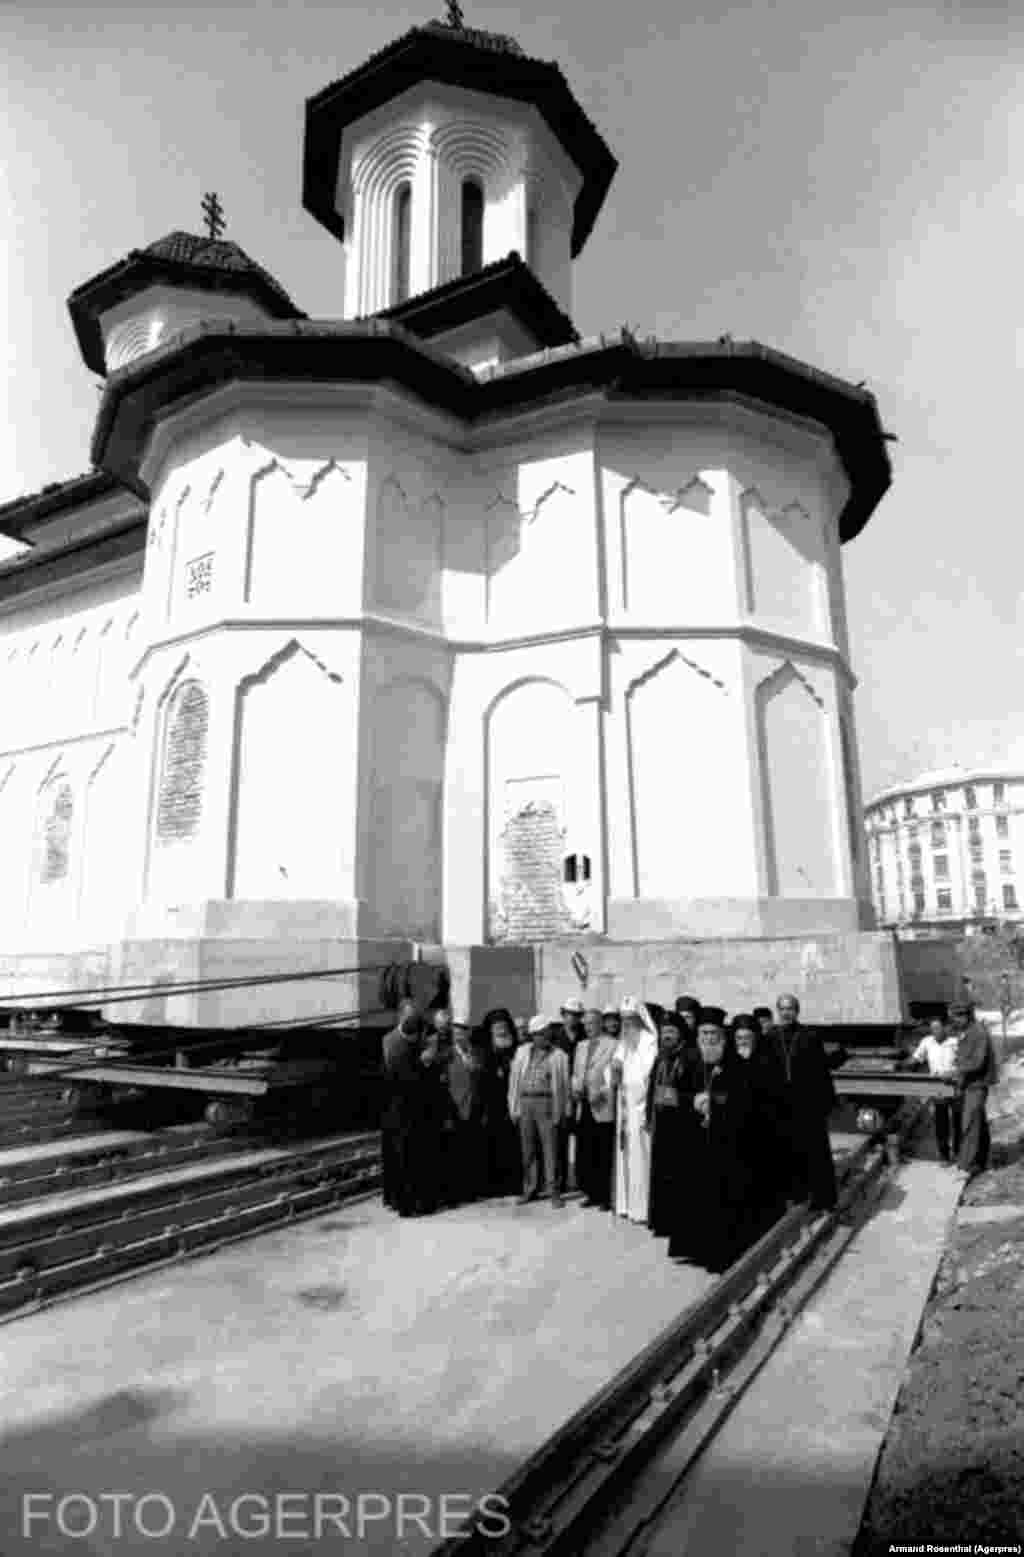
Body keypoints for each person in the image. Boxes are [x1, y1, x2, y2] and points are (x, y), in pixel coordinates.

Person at [667, 1008, 756, 1273]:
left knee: (721, 1200)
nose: (708, 1038)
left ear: (722, 1036)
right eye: (704, 1033)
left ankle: (719, 1254)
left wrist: (715, 1101)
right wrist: (692, 1101)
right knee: (694, 1197)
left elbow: (745, 1098)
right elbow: (664, 1095)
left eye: (713, 1033)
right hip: (693, 1141)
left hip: (725, 1143)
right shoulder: (688, 1060)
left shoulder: (735, 1063)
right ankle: (694, 1250)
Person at [767, 993, 838, 1212]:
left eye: (790, 1008)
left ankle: (822, 1199)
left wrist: (825, 1102)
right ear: (778, 1011)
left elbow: (822, 1071)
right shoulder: (770, 1037)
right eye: (782, 1009)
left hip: (808, 1104)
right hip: (782, 1105)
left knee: (815, 1152)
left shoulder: (809, 1035)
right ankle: (795, 1195)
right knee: (788, 1152)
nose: (786, 1013)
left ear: (797, 1011)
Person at [731, 1012, 789, 1237]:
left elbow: (777, 1097)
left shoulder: (768, 1060)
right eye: (739, 1038)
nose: (743, 1042)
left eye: (747, 1037)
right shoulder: (729, 1061)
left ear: (755, 1038)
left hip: (764, 1130)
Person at [509, 1016, 572, 1206]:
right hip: (525, 1101)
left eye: (546, 1033)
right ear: (533, 1035)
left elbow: (565, 1086)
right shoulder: (522, 1052)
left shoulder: (559, 1056)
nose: (544, 1037)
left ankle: (553, 1190)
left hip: (547, 1102)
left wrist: (565, 1110)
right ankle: (530, 1189)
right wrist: (513, 1106)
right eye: (539, 1034)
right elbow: (514, 1081)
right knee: (528, 1149)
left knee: (550, 1147)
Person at [611, 997, 659, 1223]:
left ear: (640, 1019)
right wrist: (614, 1070)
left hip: (640, 1108)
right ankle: (627, 1205)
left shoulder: (649, 1041)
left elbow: (647, 1075)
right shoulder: (624, 1042)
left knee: (640, 1157)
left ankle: (642, 1209)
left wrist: (628, 1082)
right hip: (625, 1107)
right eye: (624, 1020)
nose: (627, 1024)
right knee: (626, 1156)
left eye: (631, 1019)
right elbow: (614, 1070)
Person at [646, 1013, 689, 1237]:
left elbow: (689, 1091)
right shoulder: (660, 1057)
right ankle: (660, 1222)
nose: (667, 1036)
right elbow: (651, 1090)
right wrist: (648, 1116)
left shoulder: (689, 1057)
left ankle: (675, 1224)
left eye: (671, 1032)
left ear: (680, 1034)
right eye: (664, 1032)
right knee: (660, 1174)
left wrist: (667, 1096)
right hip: (661, 1124)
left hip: (680, 1125)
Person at [571, 1007, 618, 1210]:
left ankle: (606, 1196)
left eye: (592, 1023)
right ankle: (591, 1192)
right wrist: (575, 1087)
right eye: (585, 1023)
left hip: (602, 1103)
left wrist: (603, 1092)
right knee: (586, 1150)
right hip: (584, 1104)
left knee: (603, 1151)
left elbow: (614, 1076)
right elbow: (575, 1073)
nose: (588, 1027)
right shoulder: (581, 1046)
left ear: (600, 1024)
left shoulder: (613, 1044)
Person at [380, 999, 422, 1214]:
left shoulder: (419, 1039)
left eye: (414, 1016)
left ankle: (412, 1200)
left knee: (414, 1155)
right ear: (400, 1016)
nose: (412, 1020)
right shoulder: (388, 1041)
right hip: (395, 1108)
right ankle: (400, 1202)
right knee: (397, 1154)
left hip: (416, 1106)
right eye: (408, 1016)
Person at [950, 1002, 997, 1179]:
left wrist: (956, 1071)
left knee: (970, 1124)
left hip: (976, 1085)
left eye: (956, 1018)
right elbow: (965, 1056)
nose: (954, 1022)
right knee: (979, 1124)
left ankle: (967, 1166)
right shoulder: (969, 1032)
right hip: (971, 1084)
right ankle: (981, 1161)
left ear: (965, 1016)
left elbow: (977, 1062)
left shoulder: (978, 1033)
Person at [479, 1008, 521, 1196]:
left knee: (514, 1147)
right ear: (490, 1030)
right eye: (497, 1027)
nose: (501, 1030)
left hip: (514, 1106)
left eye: (504, 1026)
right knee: (494, 1147)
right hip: (493, 1107)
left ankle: (514, 1184)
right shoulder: (484, 1052)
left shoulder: (517, 1049)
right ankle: (495, 1187)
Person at [910, 1015, 962, 1165]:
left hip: (955, 1086)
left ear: (945, 1028)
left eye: (938, 1028)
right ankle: (944, 1155)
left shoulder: (955, 1042)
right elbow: (916, 1058)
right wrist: (899, 1065)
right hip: (938, 1088)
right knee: (941, 1122)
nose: (935, 1031)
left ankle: (959, 1153)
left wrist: (953, 1073)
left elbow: (964, 1062)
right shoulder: (927, 1042)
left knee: (958, 1120)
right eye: (932, 1028)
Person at [446, 1021, 488, 1203]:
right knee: (457, 1152)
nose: (459, 1037)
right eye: (456, 1033)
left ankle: (474, 1189)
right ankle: (458, 1191)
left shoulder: (477, 1052)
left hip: (475, 1108)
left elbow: (484, 1080)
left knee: (474, 1150)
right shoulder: (448, 1054)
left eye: (462, 1033)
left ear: (468, 1033)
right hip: (457, 1109)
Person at [555, 998, 586, 1192]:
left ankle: (582, 1181)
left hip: (581, 1093)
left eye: (576, 1015)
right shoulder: (555, 1037)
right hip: (562, 1093)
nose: (572, 1018)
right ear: (563, 1015)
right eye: (569, 1014)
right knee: (561, 1138)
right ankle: (560, 1182)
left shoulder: (585, 1035)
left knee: (582, 1138)